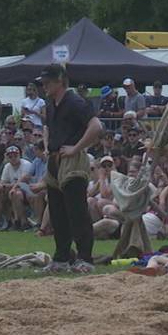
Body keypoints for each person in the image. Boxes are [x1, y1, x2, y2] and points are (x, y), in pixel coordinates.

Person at [38, 64, 104, 273]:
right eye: (44, 82)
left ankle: (85, 258)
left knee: (77, 211)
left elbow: (96, 126)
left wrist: (77, 148)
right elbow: (48, 127)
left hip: (72, 160)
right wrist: (48, 147)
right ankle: (61, 258)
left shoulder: (76, 102)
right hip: (56, 160)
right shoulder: (51, 104)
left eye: (48, 81)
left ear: (60, 80)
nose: (44, 85)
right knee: (57, 212)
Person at [0, 145, 35, 231]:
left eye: (15, 156)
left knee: (16, 193)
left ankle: (23, 222)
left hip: (29, 190)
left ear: (19, 155)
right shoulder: (7, 166)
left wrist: (5, 186)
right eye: (10, 156)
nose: (13, 158)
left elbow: (22, 182)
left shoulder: (26, 164)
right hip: (13, 189)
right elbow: (3, 181)